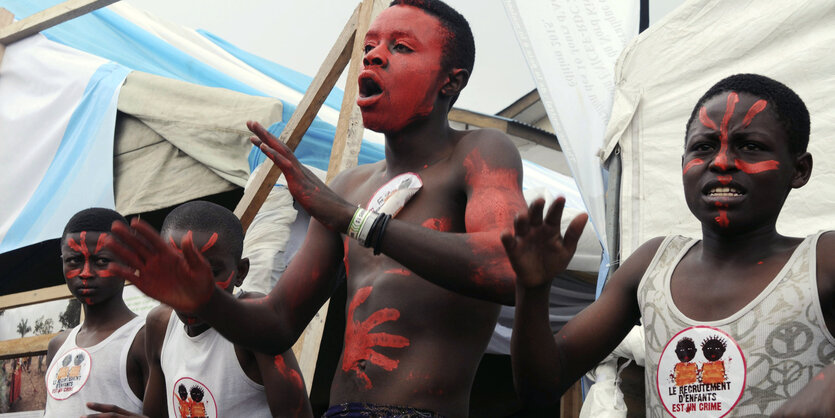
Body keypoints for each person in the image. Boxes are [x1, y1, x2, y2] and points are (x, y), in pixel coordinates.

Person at [105, 1, 527, 416]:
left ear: (450, 83)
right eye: (370, 47)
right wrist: (207, 302)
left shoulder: (478, 153)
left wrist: (352, 219)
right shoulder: (350, 185)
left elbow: (509, 268)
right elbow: (278, 323)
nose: (376, 54)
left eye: (401, 47)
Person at [504, 73, 835, 417]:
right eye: (703, 147)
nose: (720, 162)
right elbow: (540, 387)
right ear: (682, 165)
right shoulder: (654, 265)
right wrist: (533, 289)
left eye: (750, 146)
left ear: (799, 169)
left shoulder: (820, 262)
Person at [88, 201, 312, 418]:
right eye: (177, 271)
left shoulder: (256, 323)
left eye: (210, 273)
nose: (190, 289)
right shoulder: (160, 325)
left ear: (241, 272)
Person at [44, 208, 147, 417]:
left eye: (101, 261)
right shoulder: (58, 346)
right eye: (74, 260)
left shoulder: (144, 338)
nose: (85, 273)